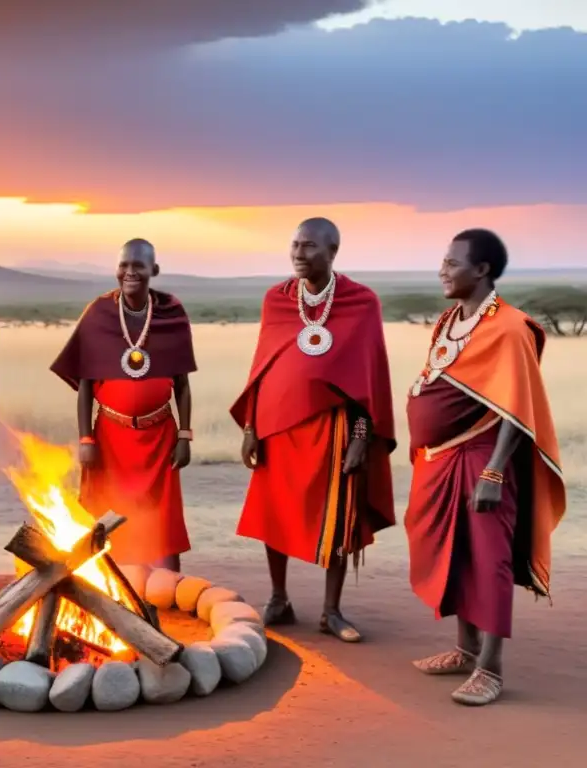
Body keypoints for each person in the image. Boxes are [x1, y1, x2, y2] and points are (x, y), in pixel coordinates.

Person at [405, 229, 565, 706]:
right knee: (453, 553)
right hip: (439, 460)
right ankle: (464, 649)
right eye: (443, 260)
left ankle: (490, 670)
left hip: (482, 459)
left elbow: (519, 406)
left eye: (453, 263)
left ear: (482, 270)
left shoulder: (510, 327)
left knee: (488, 560)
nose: (442, 269)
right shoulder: (450, 320)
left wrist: (494, 471)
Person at [229, 218, 395, 642]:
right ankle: (279, 599)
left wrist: (361, 437)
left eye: (309, 247)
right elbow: (261, 367)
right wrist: (251, 426)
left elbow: (368, 379)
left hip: (333, 428)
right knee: (274, 513)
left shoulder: (361, 302)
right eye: (295, 245)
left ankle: (332, 612)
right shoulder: (278, 299)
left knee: (338, 519)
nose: (299, 254)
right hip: (276, 427)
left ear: (332, 252)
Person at [50, 238, 197, 570]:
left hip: (159, 439)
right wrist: (86, 438)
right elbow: (85, 386)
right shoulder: (99, 313)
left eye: (138, 266)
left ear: (153, 271)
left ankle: (165, 595)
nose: (130, 272)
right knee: (106, 517)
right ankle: (110, 590)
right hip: (110, 440)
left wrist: (185, 436)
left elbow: (183, 385)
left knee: (162, 522)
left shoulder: (171, 314)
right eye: (123, 266)